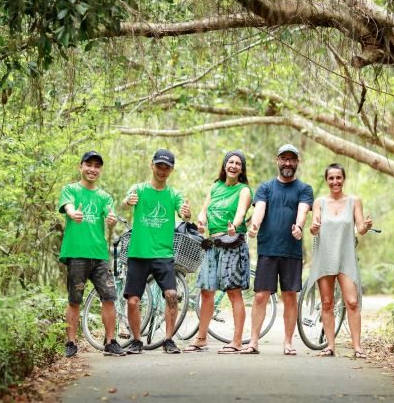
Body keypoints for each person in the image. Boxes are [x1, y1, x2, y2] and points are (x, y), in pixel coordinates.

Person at [242, 143, 313, 355]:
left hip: (291, 251)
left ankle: (288, 342)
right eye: (284, 159)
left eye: (292, 159)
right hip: (268, 250)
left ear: (297, 162)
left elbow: (303, 210)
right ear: (277, 161)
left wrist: (299, 227)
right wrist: (254, 226)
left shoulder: (304, 189)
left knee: (290, 296)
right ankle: (253, 341)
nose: (288, 163)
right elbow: (260, 209)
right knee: (260, 296)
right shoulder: (265, 187)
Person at [122, 149, 191, 355]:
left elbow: (183, 212)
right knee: (133, 300)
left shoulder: (173, 194)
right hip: (139, 253)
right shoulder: (140, 189)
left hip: (163, 254)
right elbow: (126, 202)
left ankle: (168, 340)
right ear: (151, 165)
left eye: (166, 167)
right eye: (159, 166)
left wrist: (186, 213)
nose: (162, 171)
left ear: (171, 170)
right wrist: (128, 202)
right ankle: (136, 341)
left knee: (171, 295)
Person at [58, 150, 126, 358]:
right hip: (77, 254)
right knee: (74, 299)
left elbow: (110, 215)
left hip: (99, 255)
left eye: (97, 166)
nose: (93, 169)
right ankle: (71, 343)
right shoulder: (70, 189)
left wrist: (112, 221)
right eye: (89, 165)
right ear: (81, 167)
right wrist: (72, 213)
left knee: (109, 297)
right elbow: (68, 206)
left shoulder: (104, 196)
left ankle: (110, 342)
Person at [184, 150, 253, 354]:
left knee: (233, 292)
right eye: (230, 162)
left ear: (242, 169)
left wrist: (235, 225)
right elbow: (204, 210)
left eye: (238, 163)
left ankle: (237, 341)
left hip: (232, 243)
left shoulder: (244, 190)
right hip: (212, 245)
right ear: (224, 166)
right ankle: (201, 338)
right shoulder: (215, 187)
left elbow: (241, 212)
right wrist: (201, 221)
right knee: (206, 291)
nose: (233, 166)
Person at [308, 163, 373, 358]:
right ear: (326, 180)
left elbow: (360, 228)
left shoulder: (354, 201)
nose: (335, 182)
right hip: (325, 256)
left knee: (352, 302)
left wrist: (366, 226)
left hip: (346, 257)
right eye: (331, 178)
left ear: (343, 179)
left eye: (338, 178)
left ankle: (357, 347)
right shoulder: (319, 202)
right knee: (327, 303)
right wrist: (314, 229)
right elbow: (315, 225)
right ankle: (330, 346)